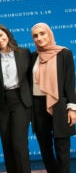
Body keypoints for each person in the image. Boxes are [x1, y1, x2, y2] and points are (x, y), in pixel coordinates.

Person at [0, 23, 32, 173]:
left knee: (19, 144)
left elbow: (31, 81)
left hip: (21, 102)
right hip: (2, 104)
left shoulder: (24, 53)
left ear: (7, 33)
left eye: (0, 35)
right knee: (7, 146)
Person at [30, 22, 76, 173]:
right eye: (35, 35)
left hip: (59, 104)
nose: (39, 38)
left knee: (62, 148)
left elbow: (69, 82)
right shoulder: (33, 57)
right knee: (45, 148)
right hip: (37, 105)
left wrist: (72, 108)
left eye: (42, 33)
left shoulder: (64, 53)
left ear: (49, 34)